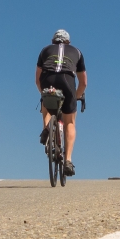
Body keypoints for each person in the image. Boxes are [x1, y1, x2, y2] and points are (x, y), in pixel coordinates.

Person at [36, 29, 86, 176]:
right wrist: (76, 97)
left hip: (48, 79)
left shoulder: (45, 50)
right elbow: (83, 82)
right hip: (67, 80)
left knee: (46, 103)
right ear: (68, 42)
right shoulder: (77, 52)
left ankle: (46, 129)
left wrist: (44, 94)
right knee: (70, 122)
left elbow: (37, 79)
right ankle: (68, 161)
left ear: (53, 41)